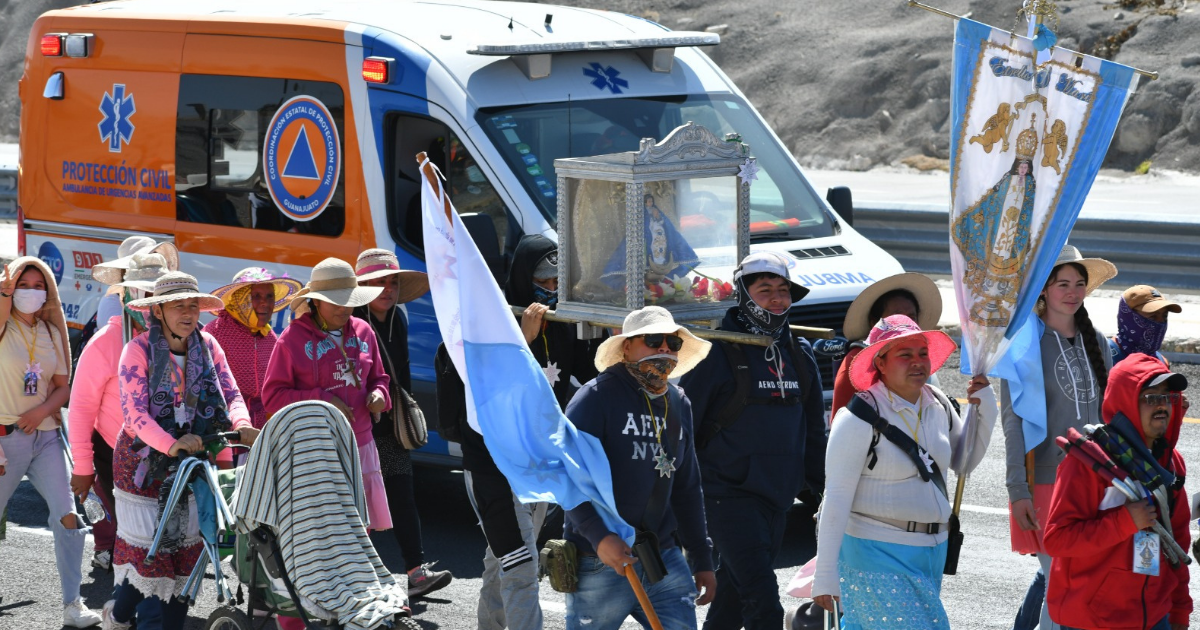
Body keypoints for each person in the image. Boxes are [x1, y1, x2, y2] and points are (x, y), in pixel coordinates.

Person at [812, 315, 994, 629]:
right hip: (875, 552)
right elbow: (836, 498)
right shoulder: (856, 418)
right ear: (880, 363)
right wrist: (825, 574)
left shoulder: (937, 402)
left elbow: (963, 462)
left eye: (922, 353)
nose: (917, 362)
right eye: (905, 355)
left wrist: (985, 408)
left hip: (932, 552)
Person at [458, 235, 601, 629]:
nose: (551, 291)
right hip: (493, 466)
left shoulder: (562, 325)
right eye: (544, 282)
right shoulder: (490, 324)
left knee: (504, 559)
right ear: (523, 277)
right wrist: (523, 341)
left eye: (559, 283)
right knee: (523, 567)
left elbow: (593, 374)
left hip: (538, 462)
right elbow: (483, 393)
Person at [678, 251, 824, 630]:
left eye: (783, 290)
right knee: (764, 606)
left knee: (731, 602)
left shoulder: (799, 353)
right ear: (743, 294)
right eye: (765, 291)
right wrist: (677, 501)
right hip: (725, 498)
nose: (777, 299)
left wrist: (824, 493)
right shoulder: (715, 352)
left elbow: (811, 433)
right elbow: (684, 427)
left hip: (777, 499)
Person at [104, 271, 256, 629]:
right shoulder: (137, 350)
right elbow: (135, 416)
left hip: (193, 460)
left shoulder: (209, 347)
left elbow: (231, 394)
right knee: (152, 559)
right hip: (142, 465)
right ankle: (128, 615)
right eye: (178, 306)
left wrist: (242, 424)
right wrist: (172, 444)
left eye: (193, 305)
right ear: (157, 311)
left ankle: (120, 614)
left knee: (182, 563)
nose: (188, 314)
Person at [564, 306, 717, 630]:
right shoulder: (594, 398)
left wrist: (701, 558)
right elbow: (568, 478)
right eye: (653, 339)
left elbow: (687, 487)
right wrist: (600, 537)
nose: (664, 348)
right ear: (626, 346)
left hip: (663, 555)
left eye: (673, 343)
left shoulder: (679, 403)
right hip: (598, 558)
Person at [1003, 245, 1117, 630]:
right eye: (1062, 283)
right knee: (1062, 586)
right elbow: (1013, 423)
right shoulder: (1022, 344)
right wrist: (1018, 490)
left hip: (1099, 483)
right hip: (1047, 485)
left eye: (1079, 284)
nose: (1072, 292)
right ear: (1043, 290)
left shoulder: (1098, 341)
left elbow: (1112, 417)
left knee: (1082, 590)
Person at [1043, 354, 1192, 630]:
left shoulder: (1171, 464)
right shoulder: (1088, 463)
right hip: (1093, 620)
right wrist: (1125, 522)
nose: (1161, 406)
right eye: (1150, 397)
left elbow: (1178, 543)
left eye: (1165, 397)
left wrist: (1180, 612)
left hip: (1155, 615)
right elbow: (1057, 540)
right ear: (1126, 403)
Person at [0, 257, 103, 627]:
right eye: (22, 285)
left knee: (69, 516)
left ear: (49, 292)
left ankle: (72, 606)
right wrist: (5, 292)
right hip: (3, 440)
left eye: (37, 285)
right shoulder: (3, 324)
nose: (30, 292)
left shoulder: (52, 333)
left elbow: (63, 388)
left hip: (44, 437)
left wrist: (39, 410)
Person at [351, 248, 453, 599]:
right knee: (359, 506)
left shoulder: (399, 319)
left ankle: (415, 572)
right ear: (362, 286)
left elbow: (404, 375)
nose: (388, 289)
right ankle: (358, 580)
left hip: (390, 429)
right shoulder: (351, 322)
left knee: (402, 498)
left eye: (392, 281)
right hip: (357, 430)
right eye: (379, 282)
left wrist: (402, 416)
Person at [263, 258, 392, 533]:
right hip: (315, 449)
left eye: (349, 300)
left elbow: (379, 378)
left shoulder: (364, 331)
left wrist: (380, 395)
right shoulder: (291, 339)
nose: (345, 309)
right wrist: (321, 399)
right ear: (316, 302)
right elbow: (273, 397)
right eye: (335, 301)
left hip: (361, 444)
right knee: (323, 533)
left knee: (359, 533)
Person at [68, 252, 170, 574]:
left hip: (163, 453)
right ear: (129, 297)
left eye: (159, 294)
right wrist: (83, 467)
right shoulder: (106, 342)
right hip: (113, 455)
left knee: (155, 540)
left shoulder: (176, 341)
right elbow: (81, 409)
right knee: (131, 539)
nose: (152, 304)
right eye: (145, 294)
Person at [831, 272, 943, 421]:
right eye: (896, 317)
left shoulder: (922, 359)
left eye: (911, 317)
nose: (905, 323)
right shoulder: (856, 362)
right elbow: (841, 423)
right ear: (874, 323)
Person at [204, 267, 302, 429]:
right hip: (222, 425)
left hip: (260, 428)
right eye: (256, 296)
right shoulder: (214, 333)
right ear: (240, 300)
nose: (265, 303)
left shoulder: (269, 336)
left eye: (269, 296)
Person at [1109, 285, 1182, 367]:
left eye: (1164, 317)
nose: (1160, 323)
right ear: (1128, 317)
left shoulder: (1161, 362)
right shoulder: (1105, 355)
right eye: (1153, 317)